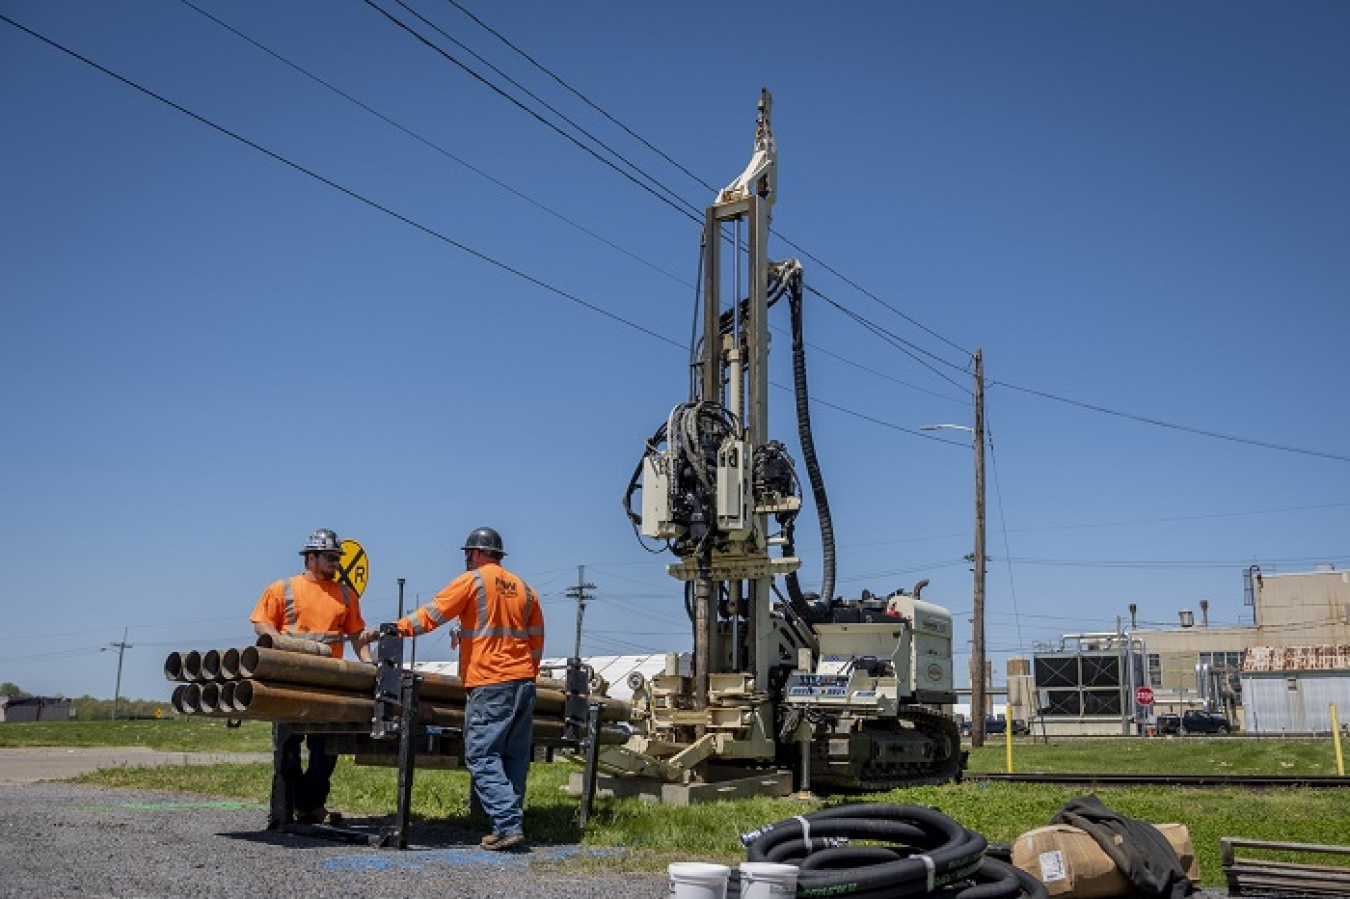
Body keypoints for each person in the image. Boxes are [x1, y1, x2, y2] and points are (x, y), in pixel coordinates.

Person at [377, 526, 544, 851]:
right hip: (524, 683)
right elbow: (536, 639)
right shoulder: (525, 589)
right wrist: (528, 673)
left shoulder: (474, 581)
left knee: (481, 754)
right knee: (514, 757)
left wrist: (395, 629)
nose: (466, 558)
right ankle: (509, 823)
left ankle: (508, 824)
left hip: (490, 681)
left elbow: (431, 616)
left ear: (479, 553)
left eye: (468, 552)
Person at [251, 528, 372, 826]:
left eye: (336, 558)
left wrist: (369, 665)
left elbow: (356, 635)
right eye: (330, 557)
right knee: (287, 748)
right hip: (290, 679)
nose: (335, 562)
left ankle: (310, 806)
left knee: (325, 750)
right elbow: (261, 623)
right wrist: (277, 645)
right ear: (311, 557)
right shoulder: (284, 588)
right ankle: (286, 806)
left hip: (328, 683)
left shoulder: (345, 594)